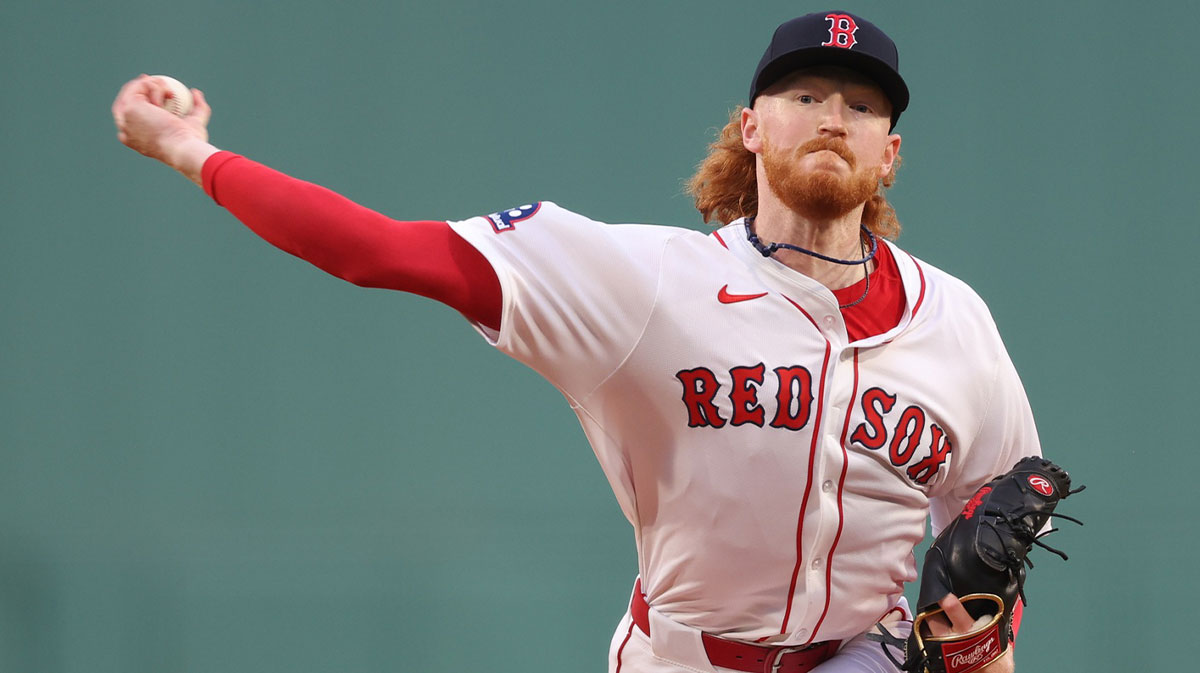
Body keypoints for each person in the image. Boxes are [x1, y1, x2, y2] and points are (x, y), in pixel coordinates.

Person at [112, 11, 1038, 673]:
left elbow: (998, 535)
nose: (834, 114)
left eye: (863, 104)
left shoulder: (956, 323)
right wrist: (195, 152)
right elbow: (376, 252)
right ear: (751, 128)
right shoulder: (641, 284)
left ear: (890, 152)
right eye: (804, 92)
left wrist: (987, 639)